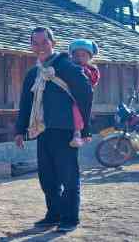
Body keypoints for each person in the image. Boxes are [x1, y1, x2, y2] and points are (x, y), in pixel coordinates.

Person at [15, 27, 93, 233]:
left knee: (68, 175)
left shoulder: (67, 66)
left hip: (65, 129)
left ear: (53, 43)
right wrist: (19, 129)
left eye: (44, 42)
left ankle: (70, 217)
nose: (40, 47)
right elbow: (26, 102)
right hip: (42, 129)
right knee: (47, 176)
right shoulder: (33, 73)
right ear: (31, 46)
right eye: (35, 43)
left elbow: (85, 94)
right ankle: (53, 214)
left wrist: (85, 128)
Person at [69, 39, 101, 147]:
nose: (79, 58)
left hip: (82, 98)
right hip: (69, 94)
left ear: (90, 57)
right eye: (76, 55)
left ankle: (77, 134)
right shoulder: (69, 67)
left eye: (83, 55)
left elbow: (92, 81)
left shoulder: (92, 70)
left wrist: (82, 72)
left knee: (77, 111)